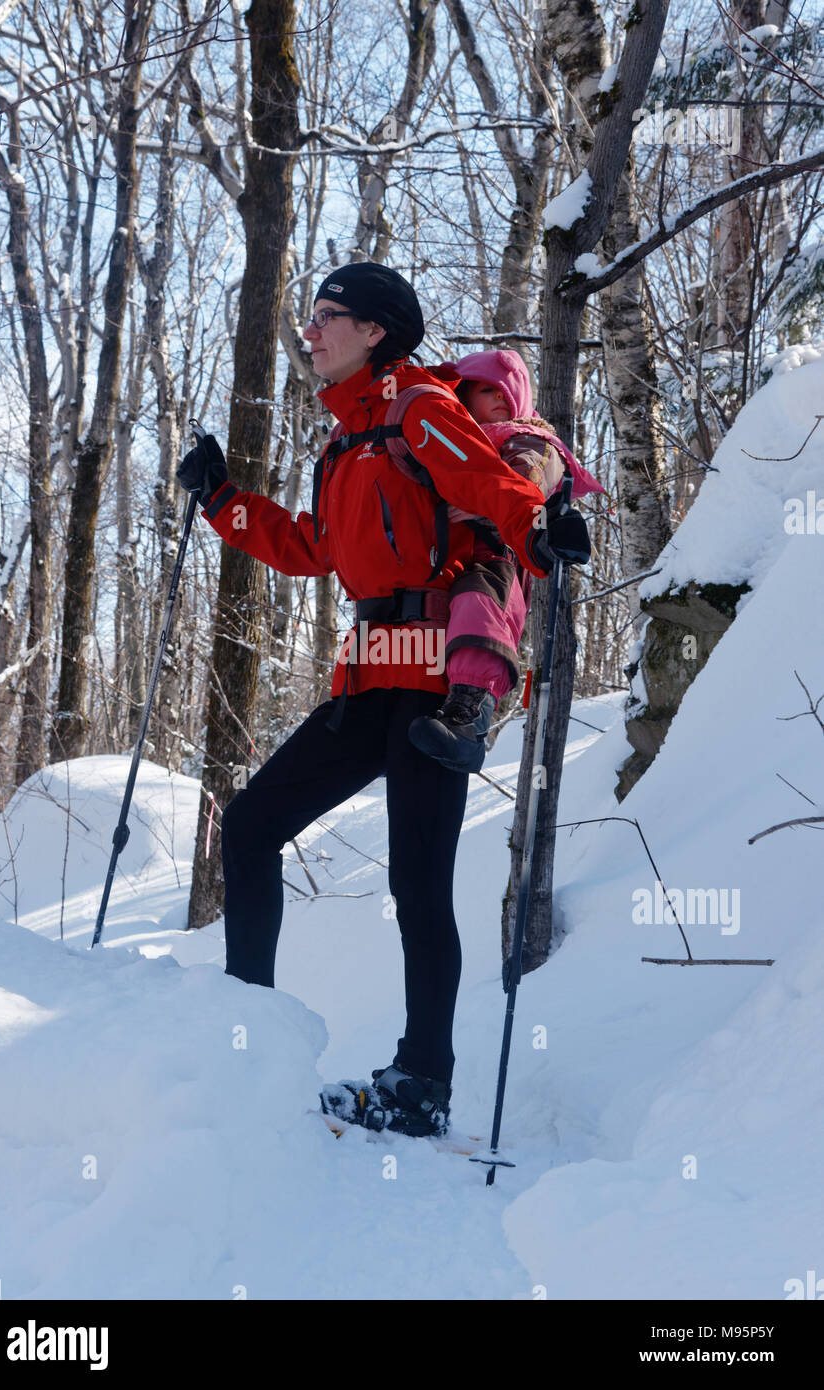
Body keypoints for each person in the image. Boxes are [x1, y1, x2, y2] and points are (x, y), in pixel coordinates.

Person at [177, 262, 590, 1139]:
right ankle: (240, 1040)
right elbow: (308, 547)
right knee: (250, 825)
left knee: (418, 883)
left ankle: (419, 1086)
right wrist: (222, 501)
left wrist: (538, 528)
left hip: (434, 677)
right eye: (310, 318)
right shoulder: (347, 443)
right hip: (371, 670)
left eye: (326, 317)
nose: (310, 332)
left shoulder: (415, 411)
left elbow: (486, 483)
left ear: (375, 331)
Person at [408, 348, 605, 773]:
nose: (498, 398)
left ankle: (470, 712)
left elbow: (525, 483)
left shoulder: (529, 438)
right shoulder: (451, 440)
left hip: (502, 557)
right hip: (450, 561)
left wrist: (485, 507)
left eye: (504, 390)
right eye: (485, 390)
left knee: (480, 606)